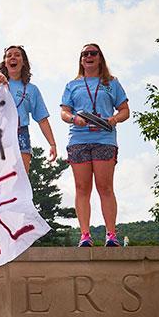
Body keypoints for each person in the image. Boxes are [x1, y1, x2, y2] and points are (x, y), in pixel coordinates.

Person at [60, 43, 130, 247]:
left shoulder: (111, 83)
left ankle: (111, 234)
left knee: (105, 187)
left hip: (104, 139)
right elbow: (63, 112)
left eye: (93, 53)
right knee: (82, 188)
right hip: (78, 139)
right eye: (84, 54)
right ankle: (85, 235)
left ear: (100, 58)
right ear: (81, 59)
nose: (88, 56)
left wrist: (114, 119)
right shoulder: (72, 85)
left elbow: (125, 110)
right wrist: (74, 118)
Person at [0, 45, 57, 172]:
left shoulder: (32, 89)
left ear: (23, 62)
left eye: (17, 55)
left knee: (20, 178)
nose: (13, 57)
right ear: (5, 63)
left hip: (21, 133)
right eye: (9, 55)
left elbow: (42, 120)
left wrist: (52, 144)